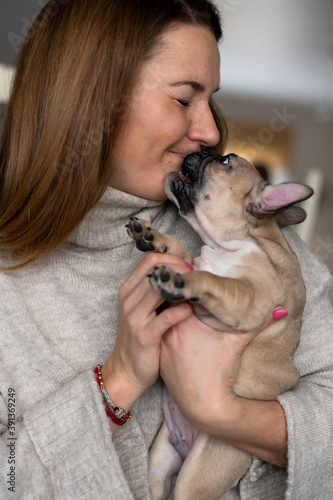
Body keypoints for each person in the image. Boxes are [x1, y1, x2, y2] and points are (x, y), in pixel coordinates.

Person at [0, 0, 332, 498]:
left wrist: (222, 413)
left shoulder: (244, 230)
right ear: (93, 98)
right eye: (183, 98)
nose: (212, 132)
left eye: (209, 98)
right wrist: (118, 380)